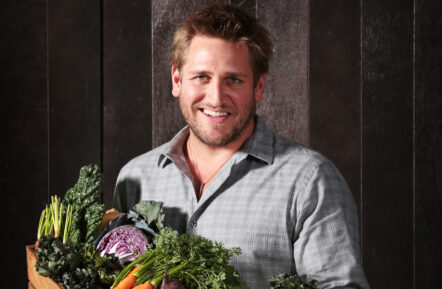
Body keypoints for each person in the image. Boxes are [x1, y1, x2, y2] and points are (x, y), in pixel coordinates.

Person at [113, 2, 369, 288]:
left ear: (258, 86)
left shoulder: (309, 180)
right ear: (177, 80)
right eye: (202, 77)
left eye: (233, 80)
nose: (216, 98)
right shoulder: (135, 178)